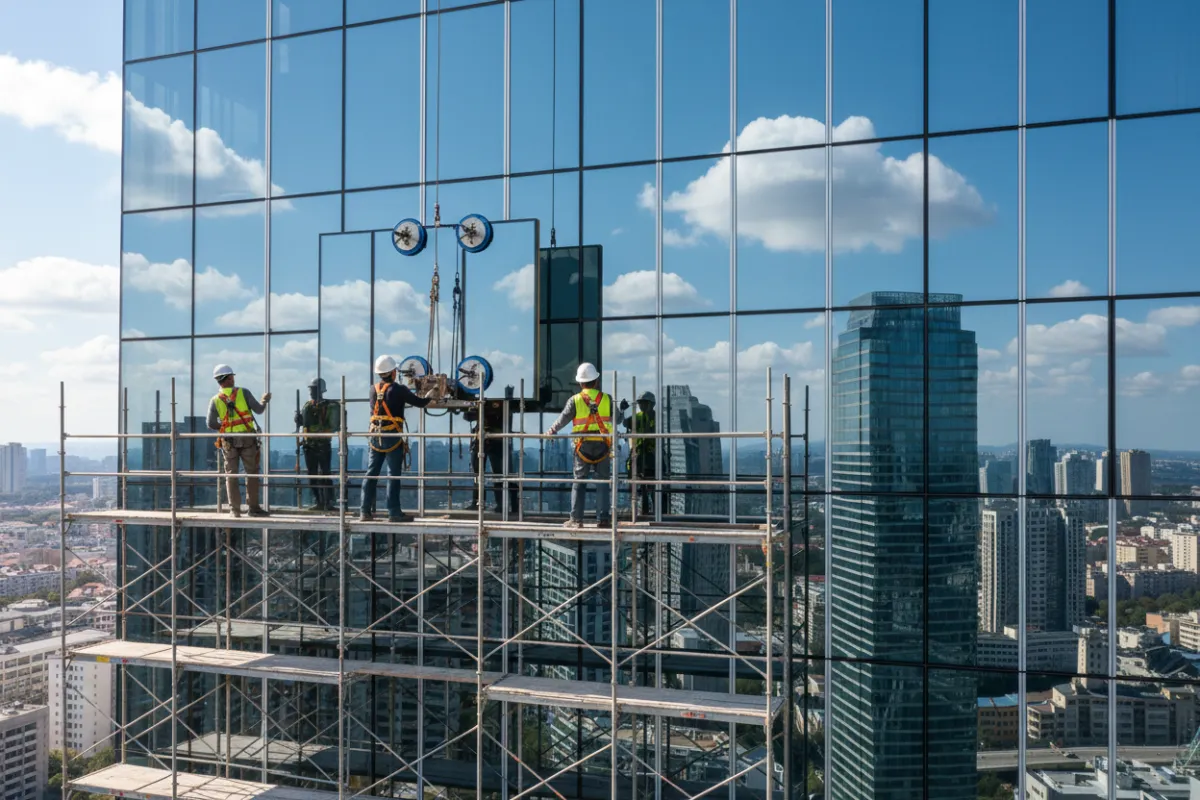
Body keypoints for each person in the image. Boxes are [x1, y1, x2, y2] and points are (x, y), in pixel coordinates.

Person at [361, 355, 430, 522]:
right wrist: (431, 394)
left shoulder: (373, 389)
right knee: (393, 474)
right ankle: (393, 512)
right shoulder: (399, 389)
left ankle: (364, 511)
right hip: (392, 437)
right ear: (392, 372)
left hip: (375, 437)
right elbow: (420, 403)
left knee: (371, 473)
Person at [545, 362, 613, 529]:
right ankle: (604, 519)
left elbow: (563, 419)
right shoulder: (607, 399)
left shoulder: (574, 400)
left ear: (581, 383)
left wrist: (551, 431)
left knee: (579, 482)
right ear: (596, 381)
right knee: (603, 482)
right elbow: (617, 416)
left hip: (582, 446)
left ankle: (576, 519)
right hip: (603, 445)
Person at [206, 364, 271, 518]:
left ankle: (235, 510)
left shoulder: (215, 400)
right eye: (232, 376)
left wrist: (225, 426)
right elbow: (259, 410)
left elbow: (210, 423)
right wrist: (264, 400)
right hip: (247, 439)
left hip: (228, 441)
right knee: (252, 473)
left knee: (231, 475)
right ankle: (253, 508)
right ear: (228, 378)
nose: (233, 378)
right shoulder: (243, 393)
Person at [463, 396, 519, 514]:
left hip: (496, 440)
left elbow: (468, 416)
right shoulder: (486, 404)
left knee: (497, 475)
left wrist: (480, 410)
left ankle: (498, 505)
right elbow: (467, 416)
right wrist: (477, 409)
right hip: (486, 440)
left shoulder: (501, 403)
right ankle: (479, 503)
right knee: (479, 474)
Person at [294, 377, 340, 512]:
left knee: (325, 474)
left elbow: (333, 425)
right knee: (312, 474)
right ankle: (319, 501)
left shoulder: (329, 406)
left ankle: (328, 502)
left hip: (323, 445)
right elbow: (305, 423)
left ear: (320, 390)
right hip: (309, 445)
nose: (311, 392)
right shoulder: (308, 405)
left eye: (313, 389)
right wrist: (299, 421)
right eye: (310, 389)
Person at [621, 390, 657, 515]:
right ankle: (643, 511)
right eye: (641, 403)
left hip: (652, 456)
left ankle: (655, 511)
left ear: (652, 404)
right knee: (640, 487)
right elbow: (625, 423)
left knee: (653, 487)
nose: (642, 406)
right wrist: (623, 411)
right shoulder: (638, 417)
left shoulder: (656, 418)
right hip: (640, 455)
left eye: (644, 403)